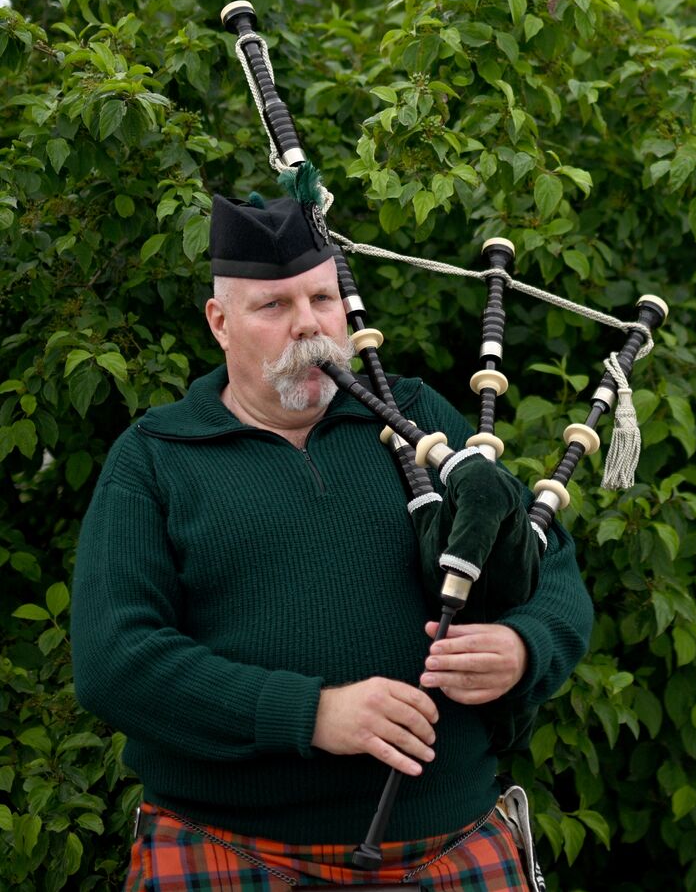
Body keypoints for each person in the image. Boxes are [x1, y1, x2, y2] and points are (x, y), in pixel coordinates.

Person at [71, 194, 592, 890]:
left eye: (322, 298)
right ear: (219, 323)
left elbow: (547, 562)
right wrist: (312, 712)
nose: (309, 325)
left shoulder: (417, 419)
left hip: (451, 841)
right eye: (274, 306)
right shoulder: (156, 457)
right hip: (229, 847)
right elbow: (116, 660)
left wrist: (525, 646)